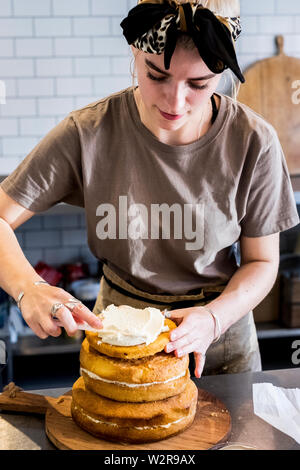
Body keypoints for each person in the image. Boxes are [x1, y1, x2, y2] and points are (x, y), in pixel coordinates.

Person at [0, 0, 298, 379]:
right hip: (117, 340)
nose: (175, 102)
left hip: (217, 339)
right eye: (156, 75)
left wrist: (212, 319)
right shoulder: (87, 133)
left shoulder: (254, 142)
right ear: (135, 51)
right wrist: (29, 288)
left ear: (223, 69)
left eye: (199, 83)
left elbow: (262, 262)